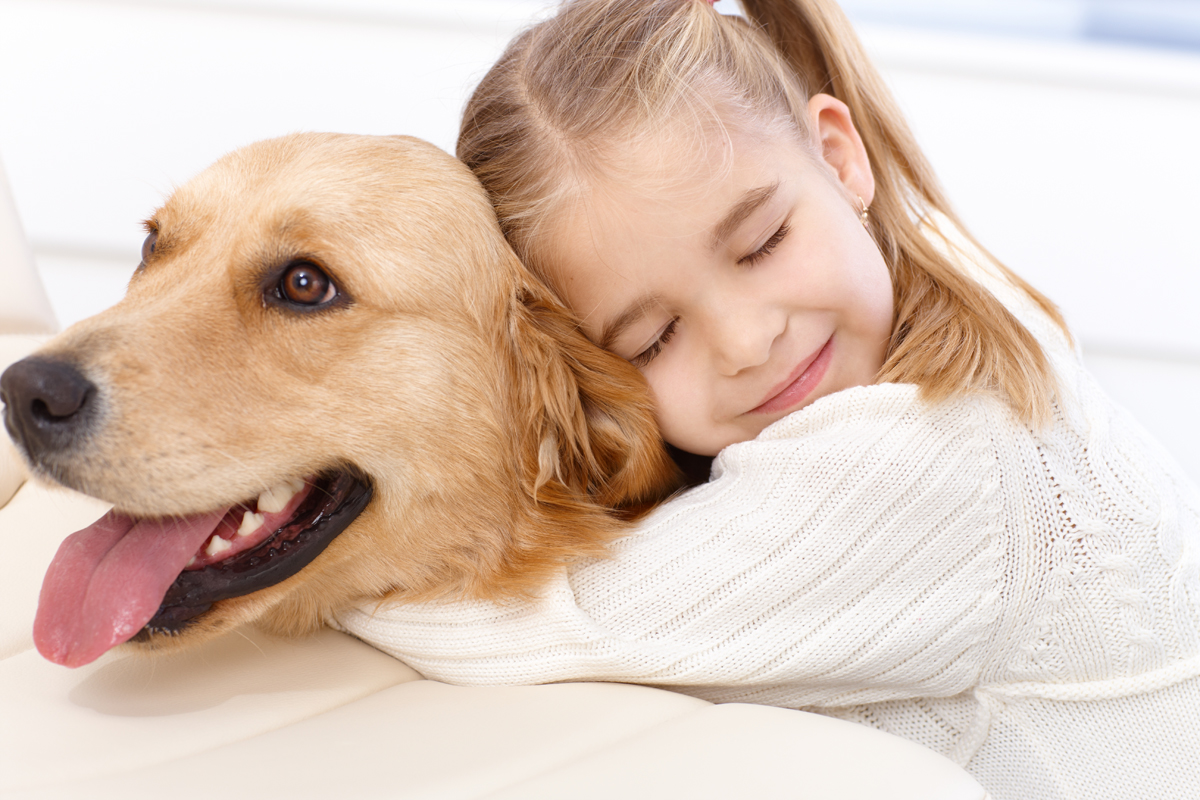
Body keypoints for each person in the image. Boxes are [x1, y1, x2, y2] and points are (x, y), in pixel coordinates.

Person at [335, 2, 1200, 797]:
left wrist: (330, 565)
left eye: (761, 244)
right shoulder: (933, 269)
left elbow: (561, 626)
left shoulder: (935, 464)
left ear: (839, 157)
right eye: (654, 340)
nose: (747, 344)